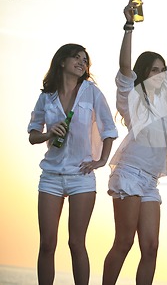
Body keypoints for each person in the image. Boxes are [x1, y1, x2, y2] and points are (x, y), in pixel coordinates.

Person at [102, 0, 167, 285]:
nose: (160, 73)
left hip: (150, 181)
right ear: (144, 73)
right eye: (154, 70)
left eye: (160, 70)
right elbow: (124, 66)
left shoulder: (162, 98)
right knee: (124, 242)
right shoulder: (131, 98)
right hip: (129, 174)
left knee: (151, 248)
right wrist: (129, 27)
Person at [27, 43, 118, 285]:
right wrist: (48, 135)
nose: (81, 62)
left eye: (85, 60)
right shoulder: (46, 97)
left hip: (81, 176)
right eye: (76, 57)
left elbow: (109, 129)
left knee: (76, 243)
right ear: (62, 62)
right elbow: (33, 134)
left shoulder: (92, 92)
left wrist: (100, 161)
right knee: (47, 243)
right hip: (51, 176)